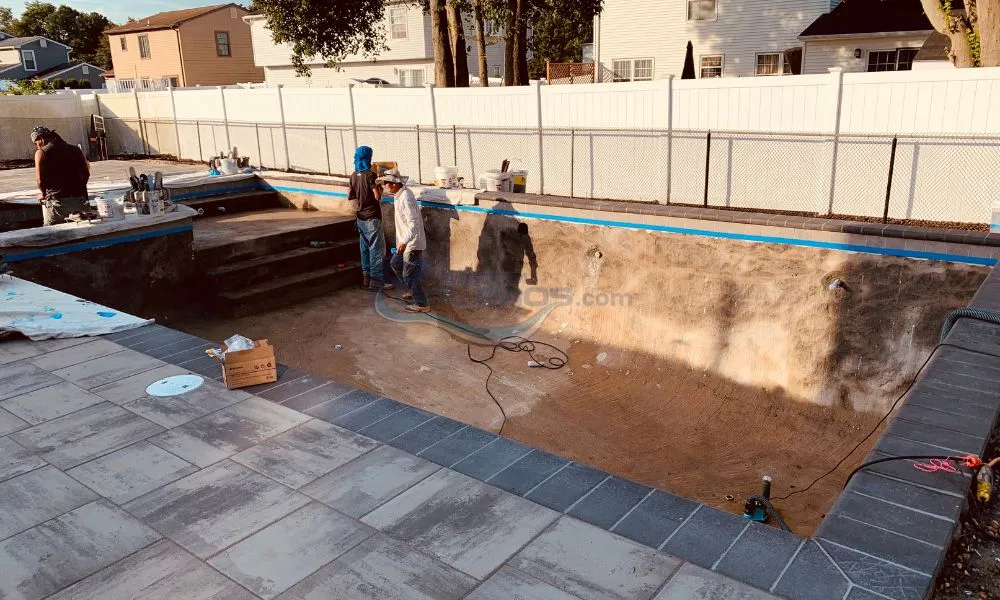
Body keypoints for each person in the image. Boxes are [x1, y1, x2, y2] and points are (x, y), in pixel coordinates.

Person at [379, 168, 429, 313]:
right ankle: (413, 290)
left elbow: (413, 224)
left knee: (410, 274)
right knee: (395, 264)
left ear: (394, 184)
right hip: (406, 242)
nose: (385, 186)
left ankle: (422, 303)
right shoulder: (399, 195)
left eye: (386, 183)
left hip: (411, 244)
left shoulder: (405, 197)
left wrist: (404, 241)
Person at [348, 145, 391, 291]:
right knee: (376, 250)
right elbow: (377, 196)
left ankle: (366, 279)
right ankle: (377, 281)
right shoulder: (370, 175)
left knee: (364, 249)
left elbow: (351, 195)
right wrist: (379, 188)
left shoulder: (353, 175)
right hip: (372, 217)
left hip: (360, 218)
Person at [32, 126, 90, 226]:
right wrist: (77, 188)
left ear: (41, 138)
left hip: (58, 203)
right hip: (80, 201)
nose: (37, 146)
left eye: (36, 143)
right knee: (83, 233)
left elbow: (40, 180)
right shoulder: (75, 149)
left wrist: (43, 194)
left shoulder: (41, 153)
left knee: (54, 234)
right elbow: (86, 174)